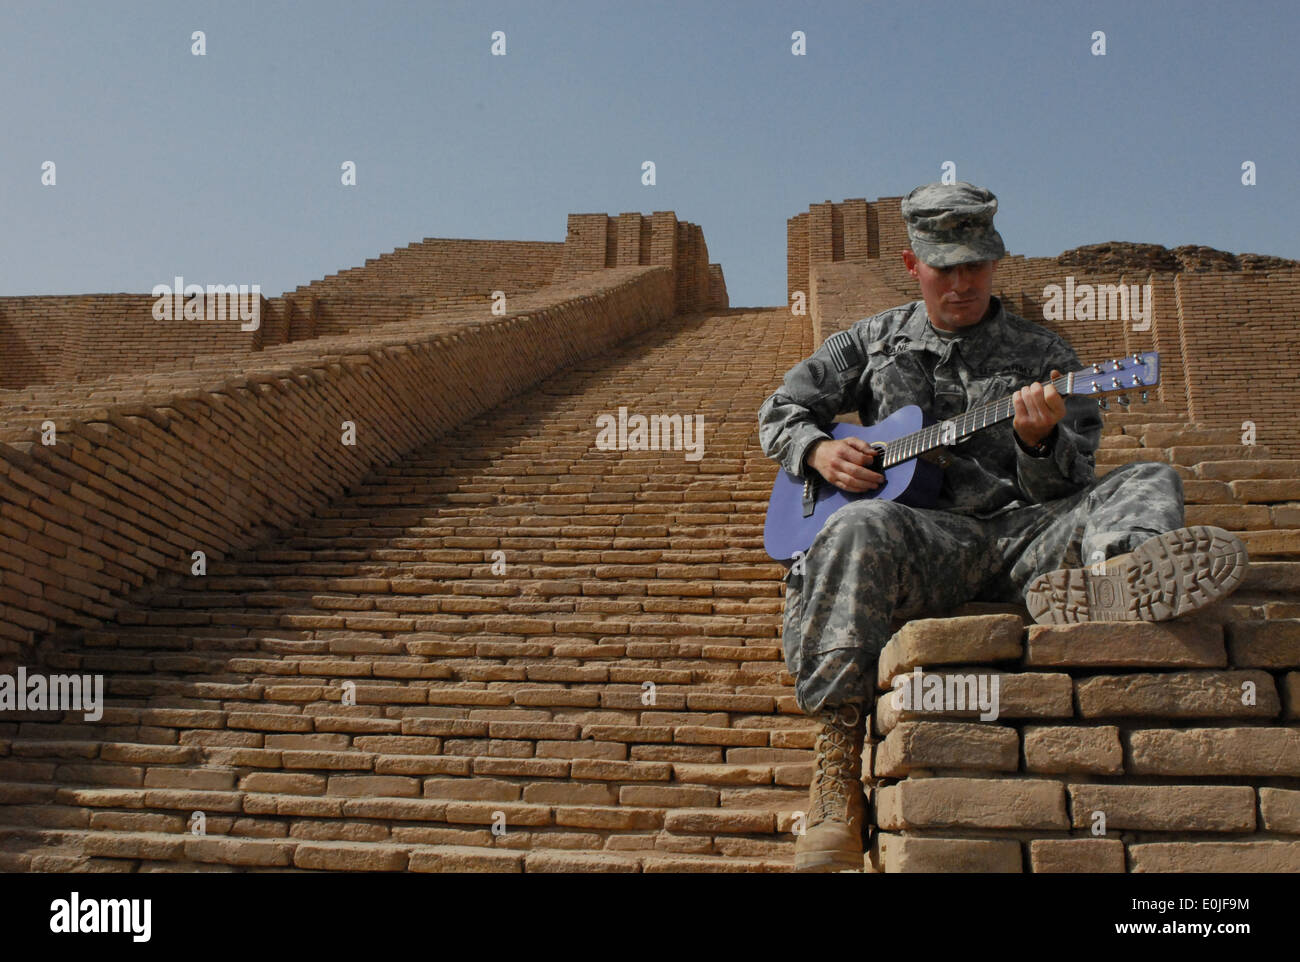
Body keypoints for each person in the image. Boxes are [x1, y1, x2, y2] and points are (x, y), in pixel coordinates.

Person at [757, 181, 1249, 872]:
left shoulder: (1043, 351)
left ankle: (1117, 581)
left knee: (1150, 480)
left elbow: (1070, 480)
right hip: (928, 542)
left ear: (995, 261)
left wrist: (1039, 443)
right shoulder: (867, 344)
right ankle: (837, 768)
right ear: (911, 265)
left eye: (975, 266)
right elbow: (779, 407)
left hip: (1024, 533)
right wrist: (816, 449)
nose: (960, 284)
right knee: (858, 525)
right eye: (943, 267)